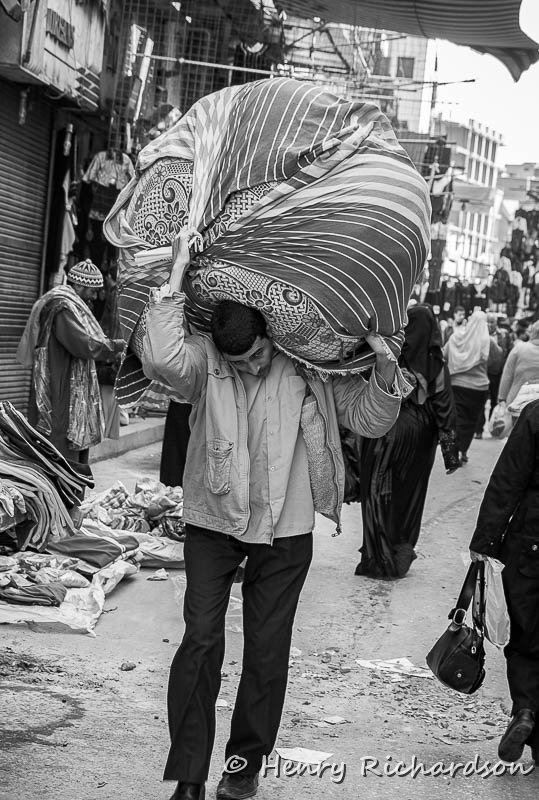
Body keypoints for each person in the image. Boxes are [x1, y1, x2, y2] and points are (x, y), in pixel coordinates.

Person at [141, 227, 404, 800]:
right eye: (240, 361)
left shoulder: (310, 364)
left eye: (258, 354)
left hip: (286, 531)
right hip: (213, 521)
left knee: (266, 650)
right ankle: (189, 775)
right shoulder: (205, 361)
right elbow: (160, 356)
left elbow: (369, 418)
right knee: (200, 640)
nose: (252, 366)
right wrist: (178, 269)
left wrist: (385, 370)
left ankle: (242, 767)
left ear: (270, 333)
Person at [354, 304, 460, 580]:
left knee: (376, 491)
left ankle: (376, 556)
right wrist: (451, 455)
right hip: (420, 437)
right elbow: (445, 409)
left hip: (383, 429)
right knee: (409, 495)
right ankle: (399, 550)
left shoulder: (388, 355)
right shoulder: (436, 365)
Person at [469, 400, 539, 764]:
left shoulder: (536, 414)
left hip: (532, 539)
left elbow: (508, 480)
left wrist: (485, 541)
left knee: (525, 633)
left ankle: (525, 710)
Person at [17, 260, 125, 463]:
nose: (95, 297)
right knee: (59, 436)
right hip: (61, 382)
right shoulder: (63, 308)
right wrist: (117, 346)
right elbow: (84, 344)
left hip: (66, 378)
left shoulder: (72, 305)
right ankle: (61, 481)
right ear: (79, 286)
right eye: (92, 291)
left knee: (64, 436)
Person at [444, 308, 490, 464]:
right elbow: (496, 361)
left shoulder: (456, 338)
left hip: (457, 384)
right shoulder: (486, 342)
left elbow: (443, 356)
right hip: (479, 388)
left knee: (457, 419)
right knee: (471, 420)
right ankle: (463, 450)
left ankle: (455, 451)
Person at [497, 320, 539, 411]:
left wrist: (502, 398)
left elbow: (507, 375)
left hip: (517, 403)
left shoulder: (519, 348)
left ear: (533, 332)